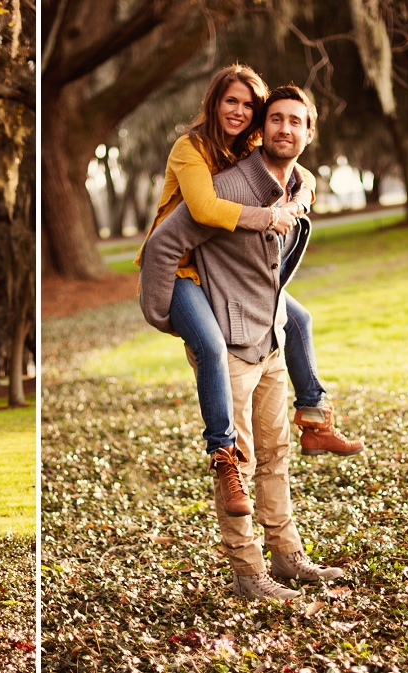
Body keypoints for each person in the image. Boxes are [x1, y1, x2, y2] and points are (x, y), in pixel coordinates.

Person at [140, 86, 344, 599]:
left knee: (276, 453)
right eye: (277, 119)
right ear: (264, 128)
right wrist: (167, 315)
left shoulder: (295, 183)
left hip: (269, 335)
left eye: (296, 122)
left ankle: (287, 556)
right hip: (226, 341)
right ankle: (249, 574)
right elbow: (164, 244)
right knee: (238, 462)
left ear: (308, 133)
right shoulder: (224, 184)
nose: (285, 129)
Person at [136, 64, 363, 462]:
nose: (239, 111)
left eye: (248, 104)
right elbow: (204, 209)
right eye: (231, 101)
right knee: (210, 344)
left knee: (299, 320)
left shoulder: (246, 144)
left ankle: (314, 419)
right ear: (214, 103)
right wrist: (271, 217)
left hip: (222, 268)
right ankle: (222, 450)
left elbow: (302, 174)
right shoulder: (191, 148)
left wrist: (298, 203)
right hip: (182, 268)